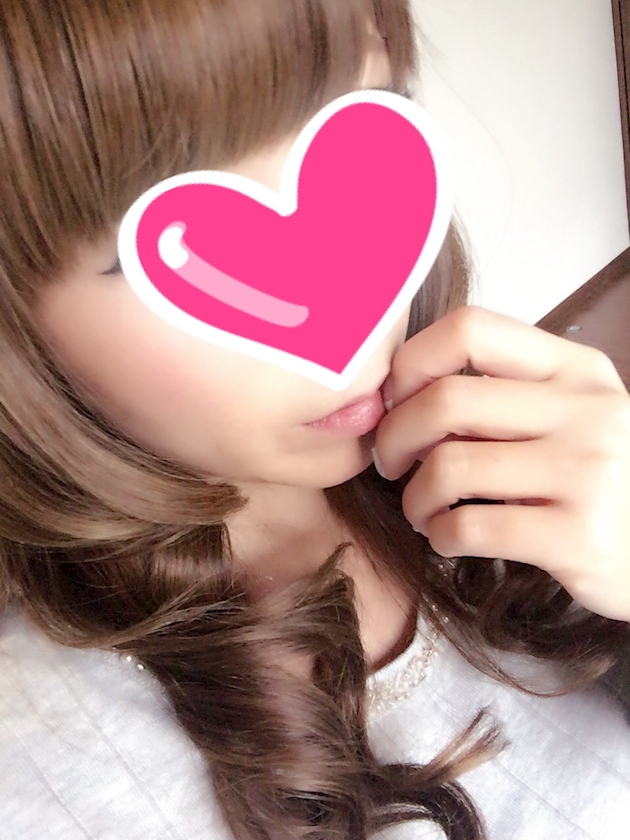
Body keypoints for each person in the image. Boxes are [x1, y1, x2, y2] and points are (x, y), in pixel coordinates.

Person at [0, 1, 629, 838]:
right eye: (173, 244)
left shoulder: (515, 441)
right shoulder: (47, 772)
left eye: (361, 112)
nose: (346, 291)